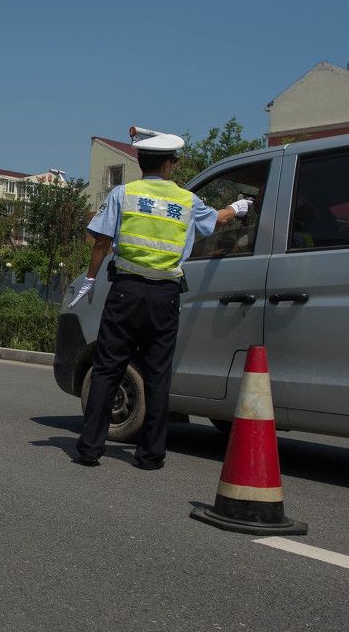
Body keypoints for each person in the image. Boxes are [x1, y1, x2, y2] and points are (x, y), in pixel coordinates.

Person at [68, 131, 250, 470]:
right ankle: (151, 454)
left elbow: (100, 242)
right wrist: (236, 208)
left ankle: (90, 448)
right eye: (175, 161)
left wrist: (90, 279)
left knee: (108, 368)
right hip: (165, 296)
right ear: (168, 163)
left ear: (141, 162)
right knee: (157, 372)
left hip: (125, 293)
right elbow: (215, 221)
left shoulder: (124, 194)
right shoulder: (185, 200)